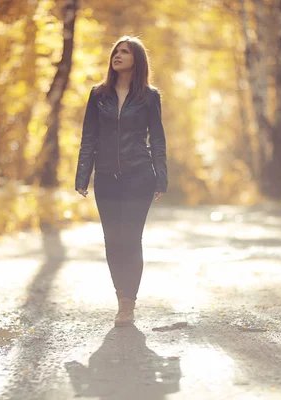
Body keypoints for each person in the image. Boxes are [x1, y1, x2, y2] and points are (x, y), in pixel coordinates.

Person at [75, 36, 168, 327]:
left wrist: (161, 178)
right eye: (116, 51)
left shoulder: (149, 96)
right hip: (106, 178)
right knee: (113, 241)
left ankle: (128, 304)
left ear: (136, 60)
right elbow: (89, 135)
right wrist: (82, 175)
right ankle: (121, 298)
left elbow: (158, 138)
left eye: (124, 52)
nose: (117, 55)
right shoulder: (98, 94)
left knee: (131, 239)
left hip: (139, 176)